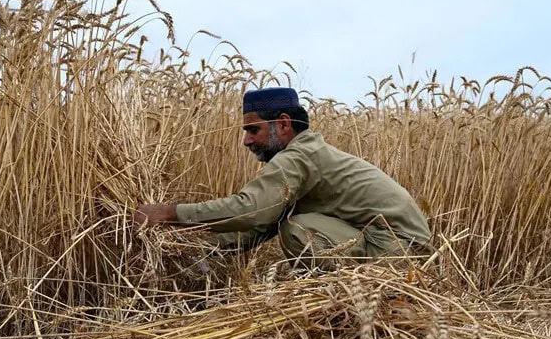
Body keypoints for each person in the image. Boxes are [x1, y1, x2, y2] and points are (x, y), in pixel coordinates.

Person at [133, 87, 432, 267]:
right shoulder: (309, 154)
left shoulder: (298, 157)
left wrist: (168, 214)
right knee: (289, 220)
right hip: (404, 249)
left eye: (253, 130)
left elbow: (252, 210)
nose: (247, 141)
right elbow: (266, 221)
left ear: (284, 124)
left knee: (297, 228)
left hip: (395, 252)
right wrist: (198, 251)